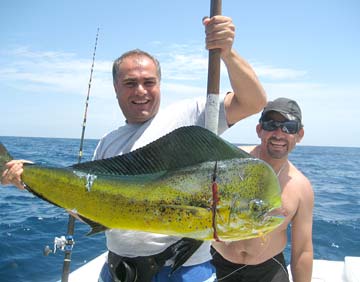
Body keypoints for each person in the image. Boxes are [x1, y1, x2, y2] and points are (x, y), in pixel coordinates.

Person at [1, 15, 266, 282]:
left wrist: (228, 53)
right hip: (119, 272)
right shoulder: (108, 142)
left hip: (183, 273)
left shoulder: (193, 115)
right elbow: (88, 211)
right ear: (116, 88)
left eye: (149, 82)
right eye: (130, 83)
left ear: (159, 85)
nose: (141, 91)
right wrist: (28, 180)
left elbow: (253, 102)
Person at [211, 97, 314, 282]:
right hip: (218, 263)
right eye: (271, 124)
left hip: (269, 271)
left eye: (289, 127)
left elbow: (302, 250)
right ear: (259, 129)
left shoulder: (301, 188)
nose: (279, 134)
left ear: (299, 134)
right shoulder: (230, 163)